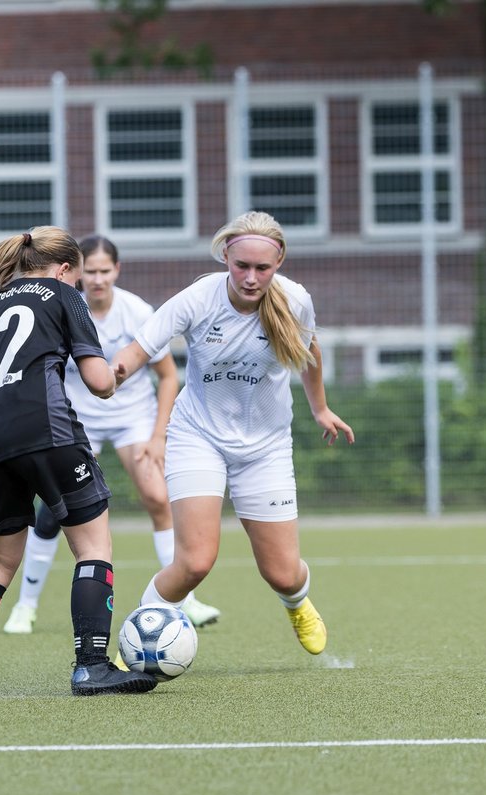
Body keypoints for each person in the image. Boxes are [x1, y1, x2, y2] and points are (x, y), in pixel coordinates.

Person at [111, 210, 354, 656]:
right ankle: (137, 640)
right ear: (226, 255)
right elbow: (141, 347)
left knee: (283, 573)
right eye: (242, 265)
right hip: (198, 436)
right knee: (194, 562)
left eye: (262, 268)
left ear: (278, 261)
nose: (250, 277)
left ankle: (298, 604)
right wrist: (111, 376)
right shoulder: (200, 298)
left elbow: (311, 349)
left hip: (266, 447)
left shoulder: (295, 299)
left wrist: (320, 408)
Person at [0, 225, 157, 697]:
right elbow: (97, 381)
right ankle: (92, 666)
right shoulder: (61, 293)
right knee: (93, 545)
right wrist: (113, 380)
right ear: (63, 268)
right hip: (46, 428)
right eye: (76, 277)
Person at [3, 235, 223, 634]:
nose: (99, 279)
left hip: (132, 417)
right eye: (93, 271)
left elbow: (169, 376)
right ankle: (26, 605)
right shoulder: (64, 305)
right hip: (76, 417)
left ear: (117, 271)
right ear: (78, 271)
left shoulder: (137, 310)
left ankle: (184, 599)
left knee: (157, 496)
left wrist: (159, 437)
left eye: (106, 271)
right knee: (54, 510)